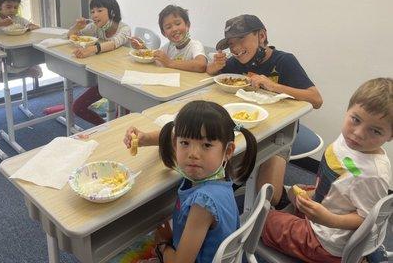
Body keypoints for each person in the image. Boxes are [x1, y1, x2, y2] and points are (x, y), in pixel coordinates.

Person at [262, 78, 392, 263]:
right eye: (355, 119)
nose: (358, 133)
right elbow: (347, 176)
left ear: (390, 136)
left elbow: (367, 219)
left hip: (326, 241)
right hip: (327, 204)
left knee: (263, 219)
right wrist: (316, 194)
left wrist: (330, 219)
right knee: (292, 192)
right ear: (348, 111)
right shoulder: (353, 144)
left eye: (375, 131)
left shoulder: (372, 175)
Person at [207, 14, 323, 206]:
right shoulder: (235, 62)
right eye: (231, 44)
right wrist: (213, 67)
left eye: (241, 39)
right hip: (242, 126)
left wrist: (274, 86)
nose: (235, 49)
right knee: (215, 172)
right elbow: (214, 76)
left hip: (279, 131)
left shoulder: (284, 61)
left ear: (261, 35)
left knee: (268, 196)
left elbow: (316, 99)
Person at [123, 100, 257, 262]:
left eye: (206, 145)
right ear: (176, 144)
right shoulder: (219, 174)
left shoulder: (202, 204)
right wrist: (143, 138)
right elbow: (174, 134)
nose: (193, 153)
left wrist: (162, 244)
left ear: (228, 151)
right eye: (185, 143)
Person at [67, 0, 131, 125]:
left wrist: (91, 49)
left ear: (112, 12)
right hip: (105, 79)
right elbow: (71, 36)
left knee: (122, 122)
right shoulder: (95, 27)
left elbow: (114, 43)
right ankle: (105, 128)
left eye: (99, 10)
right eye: (92, 12)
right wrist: (76, 27)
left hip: (125, 83)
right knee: (77, 107)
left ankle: (114, 130)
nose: (94, 15)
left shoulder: (124, 28)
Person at [151, 5, 207, 73]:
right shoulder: (168, 47)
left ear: (187, 25)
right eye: (168, 27)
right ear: (164, 33)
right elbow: (154, 58)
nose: (174, 29)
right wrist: (142, 48)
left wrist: (169, 62)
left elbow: (201, 65)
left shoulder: (195, 45)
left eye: (178, 24)